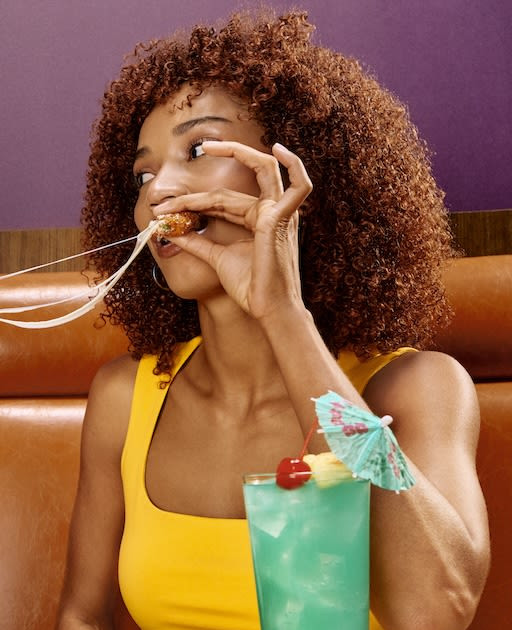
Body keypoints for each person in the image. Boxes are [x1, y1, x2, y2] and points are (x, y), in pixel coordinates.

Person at [56, 11, 489, 630]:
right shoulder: (125, 399)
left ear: (297, 177)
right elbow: (81, 617)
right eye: (144, 174)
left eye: (197, 150)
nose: (158, 191)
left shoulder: (418, 388)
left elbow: (436, 611)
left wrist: (282, 313)